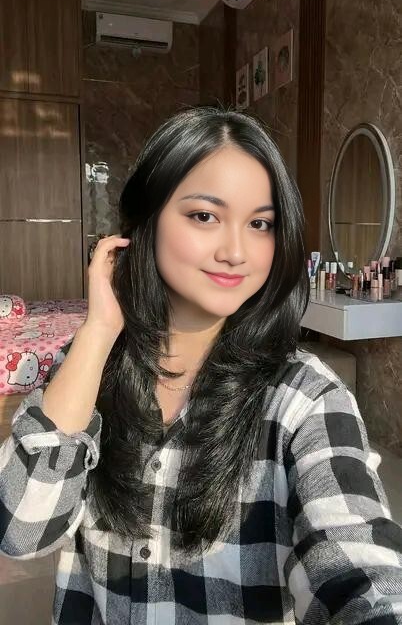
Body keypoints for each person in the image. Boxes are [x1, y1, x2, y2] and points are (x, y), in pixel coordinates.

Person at [1, 106, 402, 625]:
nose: (236, 251)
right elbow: (21, 532)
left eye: (260, 224)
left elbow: (358, 560)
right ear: (146, 223)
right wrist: (98, 330)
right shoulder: (89, 372)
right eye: (205, 216)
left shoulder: (304, 398)